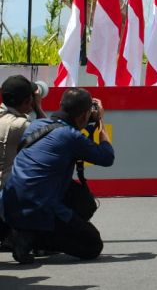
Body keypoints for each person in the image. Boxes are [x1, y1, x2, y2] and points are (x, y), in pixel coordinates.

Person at [1, 88, 114, 263]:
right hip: (40, 205)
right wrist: (100, 122)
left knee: (81, 199)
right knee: (92, 245)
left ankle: (23, 231)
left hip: (10, 200)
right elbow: (107, 157)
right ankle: (28, 237)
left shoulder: (36, 125)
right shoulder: (71, 136)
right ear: (84, 115)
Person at [1, 75, 46, 190]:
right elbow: (49, 136)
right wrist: (38, 106)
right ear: (28, 101)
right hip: (5, 190)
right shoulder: (20, 126)